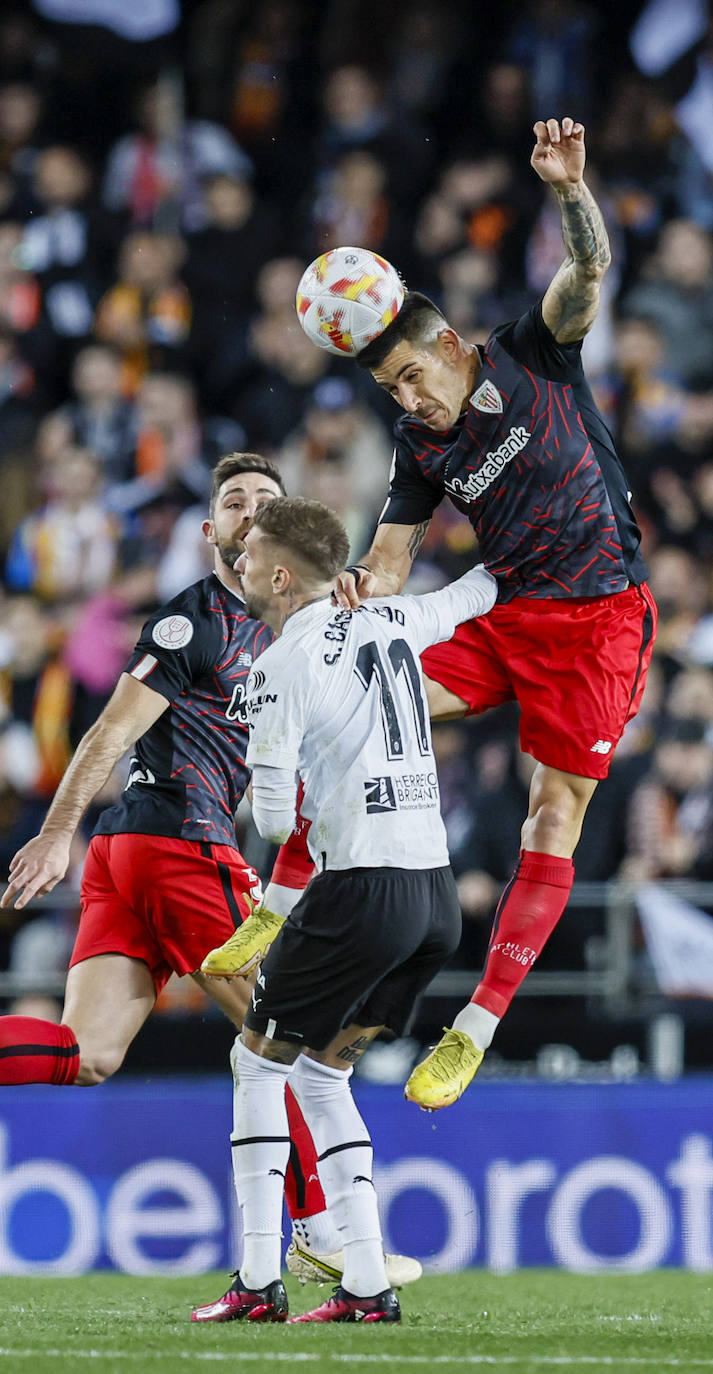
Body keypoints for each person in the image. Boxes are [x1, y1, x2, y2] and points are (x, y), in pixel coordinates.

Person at [0, 451, 417, 1293]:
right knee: (282, 1037)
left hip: (138, 852)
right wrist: (53, 833)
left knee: (92, 1050)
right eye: (234, 503)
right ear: (212, 533)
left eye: (265, 501)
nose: (250, 512)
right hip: (177, 842)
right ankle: (321, 1231)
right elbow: (108, 731)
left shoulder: (300, 628)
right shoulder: (193, 622)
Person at [299, 117, 658, 1110]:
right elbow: (390, 552)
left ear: (451, 349)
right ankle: (283, 893)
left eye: (414, 376)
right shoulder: (421, 448)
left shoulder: (531, 356)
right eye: (390, 391)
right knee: (355, 706)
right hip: (509, 619)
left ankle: (474, 1026)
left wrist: (568, 191)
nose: (409, 399)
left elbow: (585, 276)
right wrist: (355, 585)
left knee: (553, 814)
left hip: (598, 624)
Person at [191, 497, 496, 1324]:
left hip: (359, 887)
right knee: (323, 1076)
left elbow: (268, 819)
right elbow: (482, 588)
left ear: (282, 574)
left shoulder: (278, 667)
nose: (240, 565)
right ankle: (366, 1285)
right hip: (432, 896)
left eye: (249, 554)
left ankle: (256, 1280)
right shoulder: (395, 615)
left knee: (257, 1064)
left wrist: (267, 739)